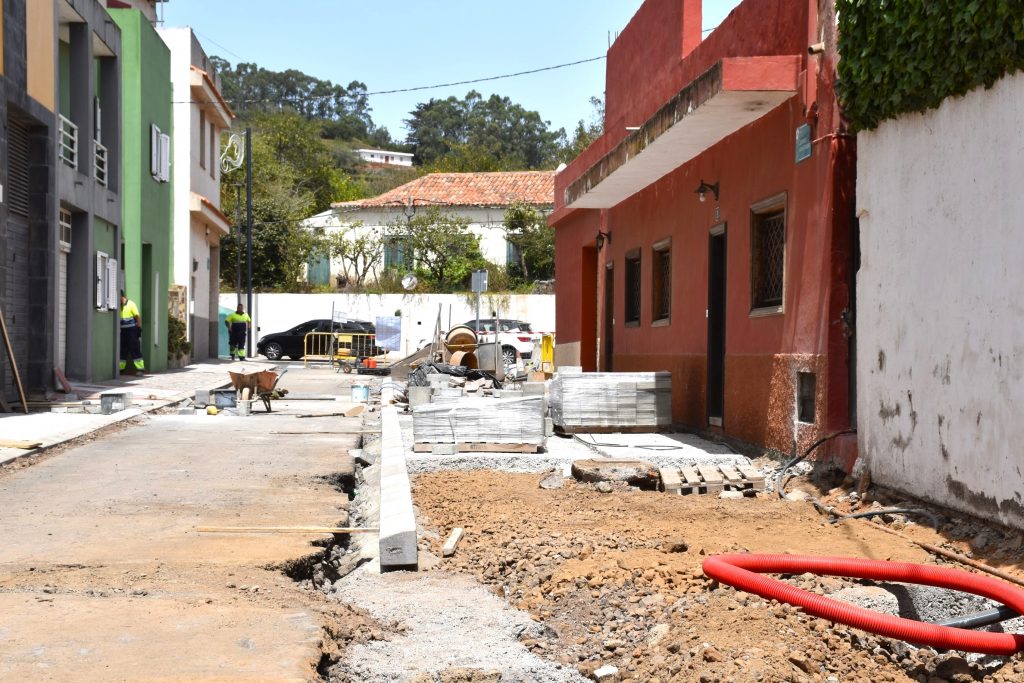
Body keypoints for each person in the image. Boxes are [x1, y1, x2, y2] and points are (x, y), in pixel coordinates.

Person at [119, 291, 145, 375]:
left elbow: (137, 317)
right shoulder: (119, 306)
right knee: (122, 350)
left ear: (121, 296)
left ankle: (140, 369)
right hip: (123, 331)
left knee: (135, 349)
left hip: (132, 330)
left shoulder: (130, 304)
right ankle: (121, 369)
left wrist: (139, 328)